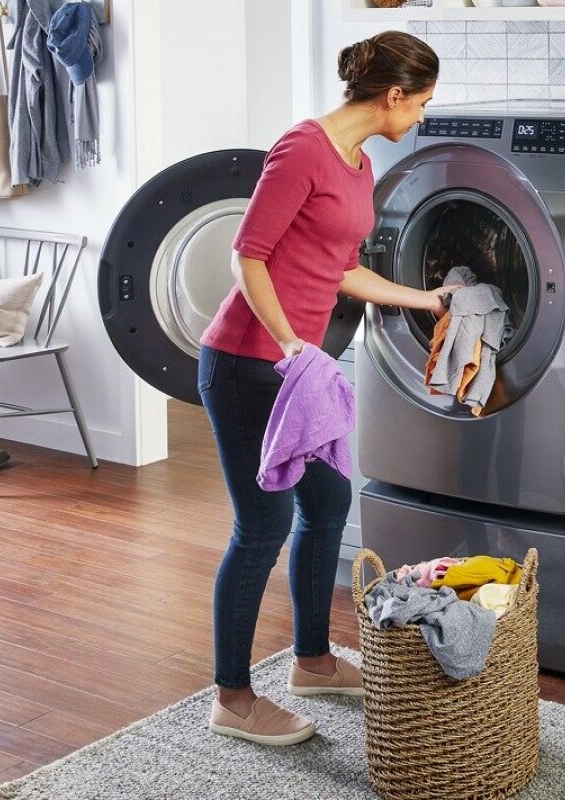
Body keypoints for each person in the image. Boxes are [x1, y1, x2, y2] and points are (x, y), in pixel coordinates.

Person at [198, 31, 452, 746]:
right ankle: (233, 698)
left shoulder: (360, 163)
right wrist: (288, 345)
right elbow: (247, 255)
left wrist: (423, 299)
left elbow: (338, 268)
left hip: (291, 369)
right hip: (249, 366)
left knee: (330, 501)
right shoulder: (302, 149)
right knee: (262, 528)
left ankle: (311, 661)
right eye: (423, 104)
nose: (424, 118)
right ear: (393, 96)